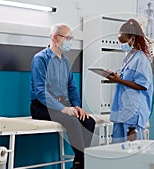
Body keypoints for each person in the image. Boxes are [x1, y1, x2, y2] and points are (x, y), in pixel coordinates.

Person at [30, 23, 95, 169]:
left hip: (63, 106)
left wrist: (77, 106)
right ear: (54, 37)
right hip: (42, 107)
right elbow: (41, 92)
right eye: (68, 38)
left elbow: (71, 87)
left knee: (89, 121)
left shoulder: (65, 61)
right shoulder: (40, 59)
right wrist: (63, 109)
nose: (70, 41)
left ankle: (79, 162)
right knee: (72, 122)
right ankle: (82, 163)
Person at [107, 19, 153, 143]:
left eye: (123, 41)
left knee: (132, 151)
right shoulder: (129, 57)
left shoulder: (141, 59)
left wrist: (119, 80)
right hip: (122, 111)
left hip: (133, 112)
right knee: (117, 149)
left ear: (132, 39)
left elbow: (143, 85)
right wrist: (115, 77)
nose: (121, 44)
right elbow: (126, 78)